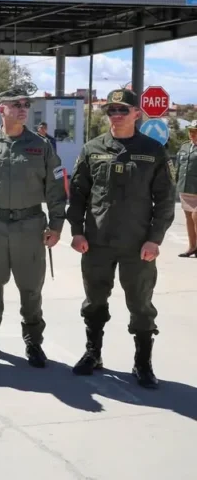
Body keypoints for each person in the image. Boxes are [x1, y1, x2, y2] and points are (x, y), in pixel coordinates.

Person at [67, 88, 176, 389]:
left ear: (136, 114)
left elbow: (165, 200)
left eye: (122, 110)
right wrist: (76, 231)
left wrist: (155, 239)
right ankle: (93, 353)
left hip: (137, 244)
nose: (116, 115)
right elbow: (78, 194)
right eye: (111, 110)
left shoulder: (153, 151)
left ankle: (143, 363)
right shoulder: (92, 149)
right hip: (97, 242)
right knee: (94, 302)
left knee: (141, 305)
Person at [0, 84, 66, 367]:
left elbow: (56, 188)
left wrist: (56, 225)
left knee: (31, 288)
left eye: (26, 105)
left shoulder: (41, 146)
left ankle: (33, 342)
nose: (23, 109)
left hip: (30, 226)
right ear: (1, 109)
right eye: (16, 104)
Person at [175, 125, 197, 257]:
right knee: (189, 218)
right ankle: (192, 247)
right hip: (185, 188)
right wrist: (176, 182)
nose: (192, 134)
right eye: (190, 131)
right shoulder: (184, 147)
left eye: (195, 131)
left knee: (195, 216)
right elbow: (178, 167)